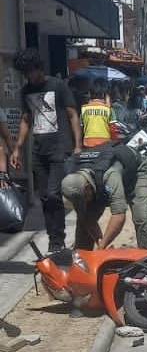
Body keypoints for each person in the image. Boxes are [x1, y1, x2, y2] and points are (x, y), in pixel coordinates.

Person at [12, 49, 82, 252]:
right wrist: (17, 149)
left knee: (53, 194)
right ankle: (53, 239)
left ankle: (58, 239)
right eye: (25, 73)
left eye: (31, 71)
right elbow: (26, 120)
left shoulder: (57, 86)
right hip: (38, 151)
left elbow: (72, 114)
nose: (29, 76)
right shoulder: (26, 91)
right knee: (43, 196)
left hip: (59, 148)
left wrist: (77, 145)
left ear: (39, 68)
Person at [61, 144, 147, 250]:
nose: (84, 202)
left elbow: (119, 216)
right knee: (83, 222)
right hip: (99, 179)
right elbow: (87, 219)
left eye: (84, 198)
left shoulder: (109, 175)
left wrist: (102, 245)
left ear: (87, 188)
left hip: (135, 172)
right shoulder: (72, 178)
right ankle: (82, 259)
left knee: (142, 217)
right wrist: (100, 240)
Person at [81, 79, 113, 147]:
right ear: (104, 94)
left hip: (88, 143)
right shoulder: (108, 109)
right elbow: (113, 128)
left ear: (90, 93)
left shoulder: (83, 108)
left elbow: (81, 127)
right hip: (105, 143)